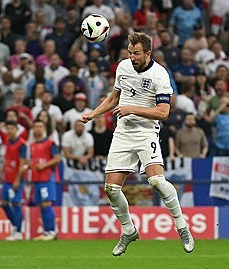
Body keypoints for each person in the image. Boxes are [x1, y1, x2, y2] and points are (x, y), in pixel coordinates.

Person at [81, 32, 195, 256]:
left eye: (136, 53)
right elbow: (115, 97)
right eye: (130, 52)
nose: (132, 57)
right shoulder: (123, 67)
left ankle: (182, 227)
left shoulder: (160, 75)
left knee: (156, 181)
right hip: (123, 133)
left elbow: (163, 112)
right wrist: (94, 113)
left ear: (148, 53)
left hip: (146, 132)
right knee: (111, 189)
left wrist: (132, 108)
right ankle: (129, 231)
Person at [29, 120, 61, 241]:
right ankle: (47, 232)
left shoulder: (50, 143)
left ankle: (52, 231)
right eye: (36, 126)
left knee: (46, 203)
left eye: (40, 126)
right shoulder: (32, 145)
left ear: (44, 128)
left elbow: (57, 158)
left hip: (46, 178)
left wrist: (44, 166)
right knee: (42, 205)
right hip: (36, 178)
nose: (38, 128)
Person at [1, 121, 27, 241]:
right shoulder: (7, 142)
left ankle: (18, 231)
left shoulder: (21, 144)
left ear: (16, 130)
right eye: (8, 128)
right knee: (4, 203)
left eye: (12, 128)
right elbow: (6, 158)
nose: (10, 131)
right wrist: (2, 172)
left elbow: (22, 163)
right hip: (7, 178)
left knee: (16, 203)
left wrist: (17, 179)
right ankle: (15, 225)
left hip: (16, 179)